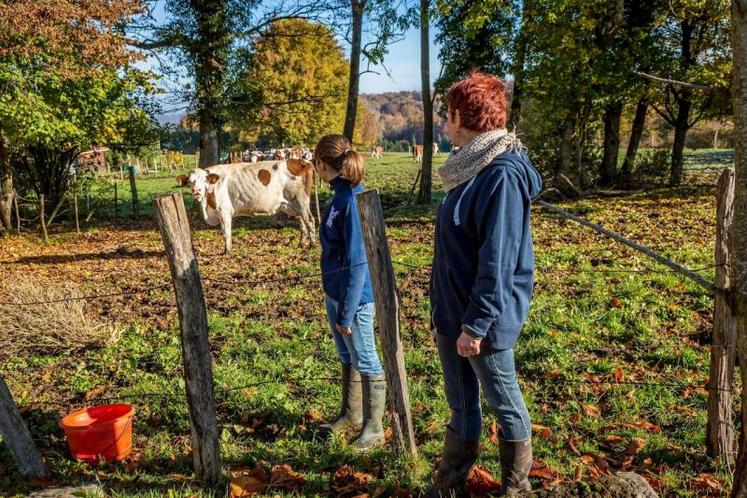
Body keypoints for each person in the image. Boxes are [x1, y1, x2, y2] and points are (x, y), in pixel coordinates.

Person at [425, 71, 543, 497]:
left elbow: (498, 258)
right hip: (453, 314)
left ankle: (516, 488)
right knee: (461, 404)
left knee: (504, 403)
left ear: (460, 116)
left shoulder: (502, 174)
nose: (444, 123)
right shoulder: (467, 169)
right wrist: (447, 313)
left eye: (447, 115)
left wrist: (476, 325)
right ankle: (451, 484)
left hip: (482, 321)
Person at [312, 134, 386, 452]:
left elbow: (358, 261)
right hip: (336, 292)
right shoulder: (338, 196)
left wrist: (347, 310)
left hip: (353, 298)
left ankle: (374, 428)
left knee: (366, 358)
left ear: (322, 164)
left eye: (315, 162)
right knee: (348, 356)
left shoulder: (352, 201)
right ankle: (352, 414)